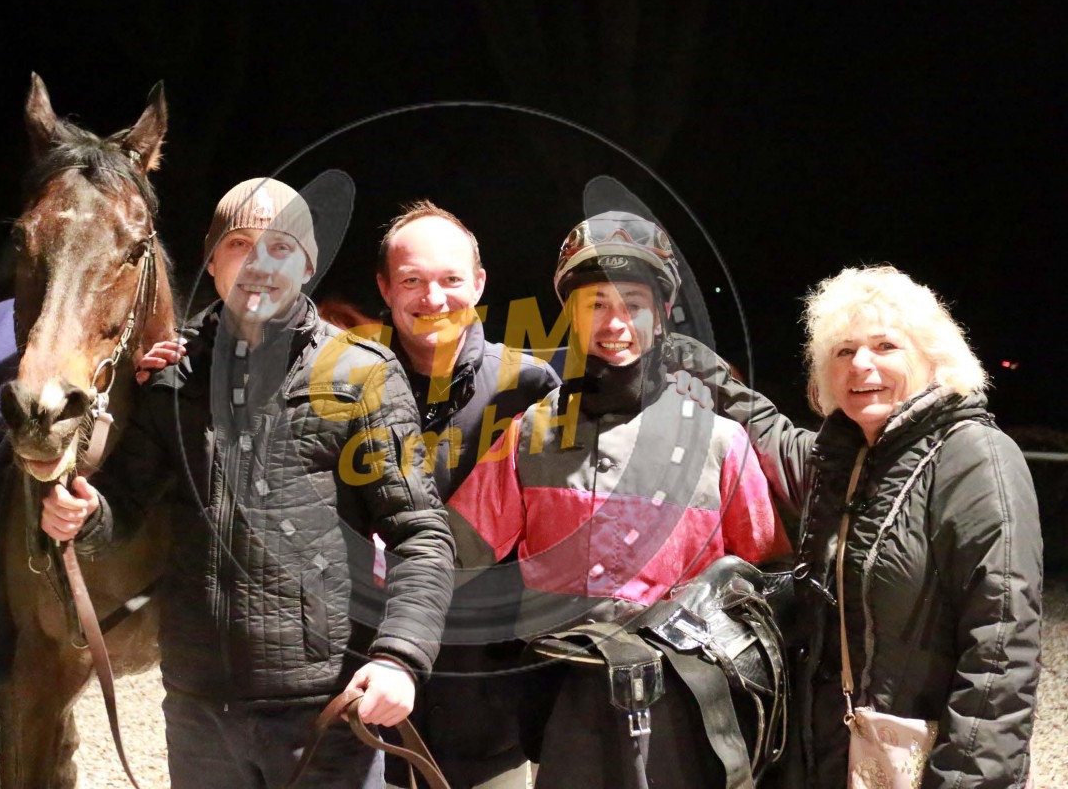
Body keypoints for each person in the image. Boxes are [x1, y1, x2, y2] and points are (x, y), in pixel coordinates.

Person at [41, 177, 456, 788]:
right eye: (239, 244)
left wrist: (400, 658)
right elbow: (122, 508)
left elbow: (421, 535)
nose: (260, 263)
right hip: (199, 707)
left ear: (308, 265)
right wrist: (85, 515)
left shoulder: (362, 375)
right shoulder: (173, 380)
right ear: (212, 262)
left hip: (326, 708)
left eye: (281, 246)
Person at [447, 211, 791, 788]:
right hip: (565, 707)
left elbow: (764, 581)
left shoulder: (719, 441)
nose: (615, 323)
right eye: (596, 304)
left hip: (689, 710)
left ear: (662, 313)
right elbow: (456, 550)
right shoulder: (530, 434)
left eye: (633, 303)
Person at [692, 265, 1041, 787]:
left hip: (926, 766)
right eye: (843, 351)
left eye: (885, 346)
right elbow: (772, 435)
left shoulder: (973, 458)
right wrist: (696, 366)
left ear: (932, 358)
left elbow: (1001, 652)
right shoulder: (845, 459)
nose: (861, 365)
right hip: (835, 757)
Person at [374, 201, 560, 788]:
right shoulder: (342, 383)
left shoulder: (531, 387)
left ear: (478, 284)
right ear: (385, 288)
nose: (433, 298)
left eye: (451, 279)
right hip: (368, 692)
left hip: (490, 706)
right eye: (412, 280)